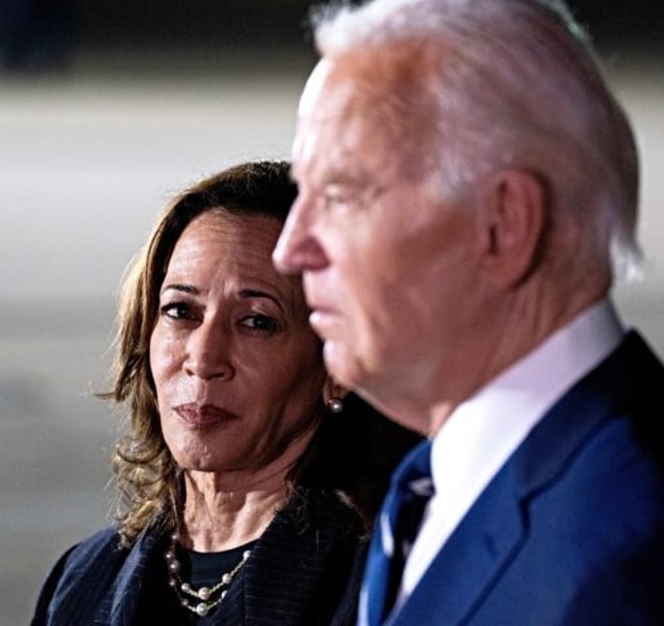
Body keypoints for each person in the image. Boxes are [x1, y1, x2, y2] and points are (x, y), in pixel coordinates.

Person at [272, 0, 664, 624]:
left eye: (341, 195)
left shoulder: (623, 576)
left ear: (505, 224)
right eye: (303, 193)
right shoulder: (451, 473)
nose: (290, 249)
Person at [32, 161, 418, 625]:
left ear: (337, 363)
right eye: (180, 311)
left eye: (257, 321)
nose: (204, 357)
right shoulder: (80, 582)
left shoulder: (384, 583)